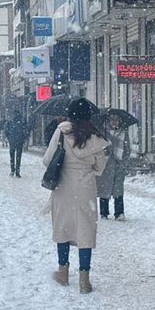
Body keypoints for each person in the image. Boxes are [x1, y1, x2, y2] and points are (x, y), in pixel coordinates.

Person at [43, 98, 110, 294]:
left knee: (63, 228)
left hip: (63, 187)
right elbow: (100, 167)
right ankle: (84, 280)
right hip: (85, 189)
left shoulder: (62, 132)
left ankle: (63, 272)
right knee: (85, 232)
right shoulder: (95, 137)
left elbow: (48, 159)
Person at [97, 112, 131, 220]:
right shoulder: (102, 132)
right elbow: (98, 147)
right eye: (112, 119)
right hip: (105, 164)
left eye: (116, 119)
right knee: (104, 188)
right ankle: (104, 212)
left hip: (118, 164)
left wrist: (124, 163)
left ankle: (119, 213)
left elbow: (127, 149)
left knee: (118, 189)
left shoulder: (123, 132)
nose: (114, 121)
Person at [6, 110, 30, 178]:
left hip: (12, 141)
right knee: (18, 157)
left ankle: (12, 170)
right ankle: (17, 171)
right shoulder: (22, 121)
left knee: (12, 156)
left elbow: (6, 130)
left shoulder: (10, 121)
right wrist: (24, 138)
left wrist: (9, 138)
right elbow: (27, 130)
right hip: (19, 141)